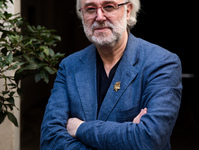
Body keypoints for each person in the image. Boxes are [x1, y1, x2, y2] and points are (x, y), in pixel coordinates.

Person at [40, 0, 182, 149]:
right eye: (90, 9)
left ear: (128, 11)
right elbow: (50, 140)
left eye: (109, 6)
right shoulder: (69, 66)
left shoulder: (162, 63)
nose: (99, 17)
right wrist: (128, 135)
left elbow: (149, 139)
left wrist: (80, 128)